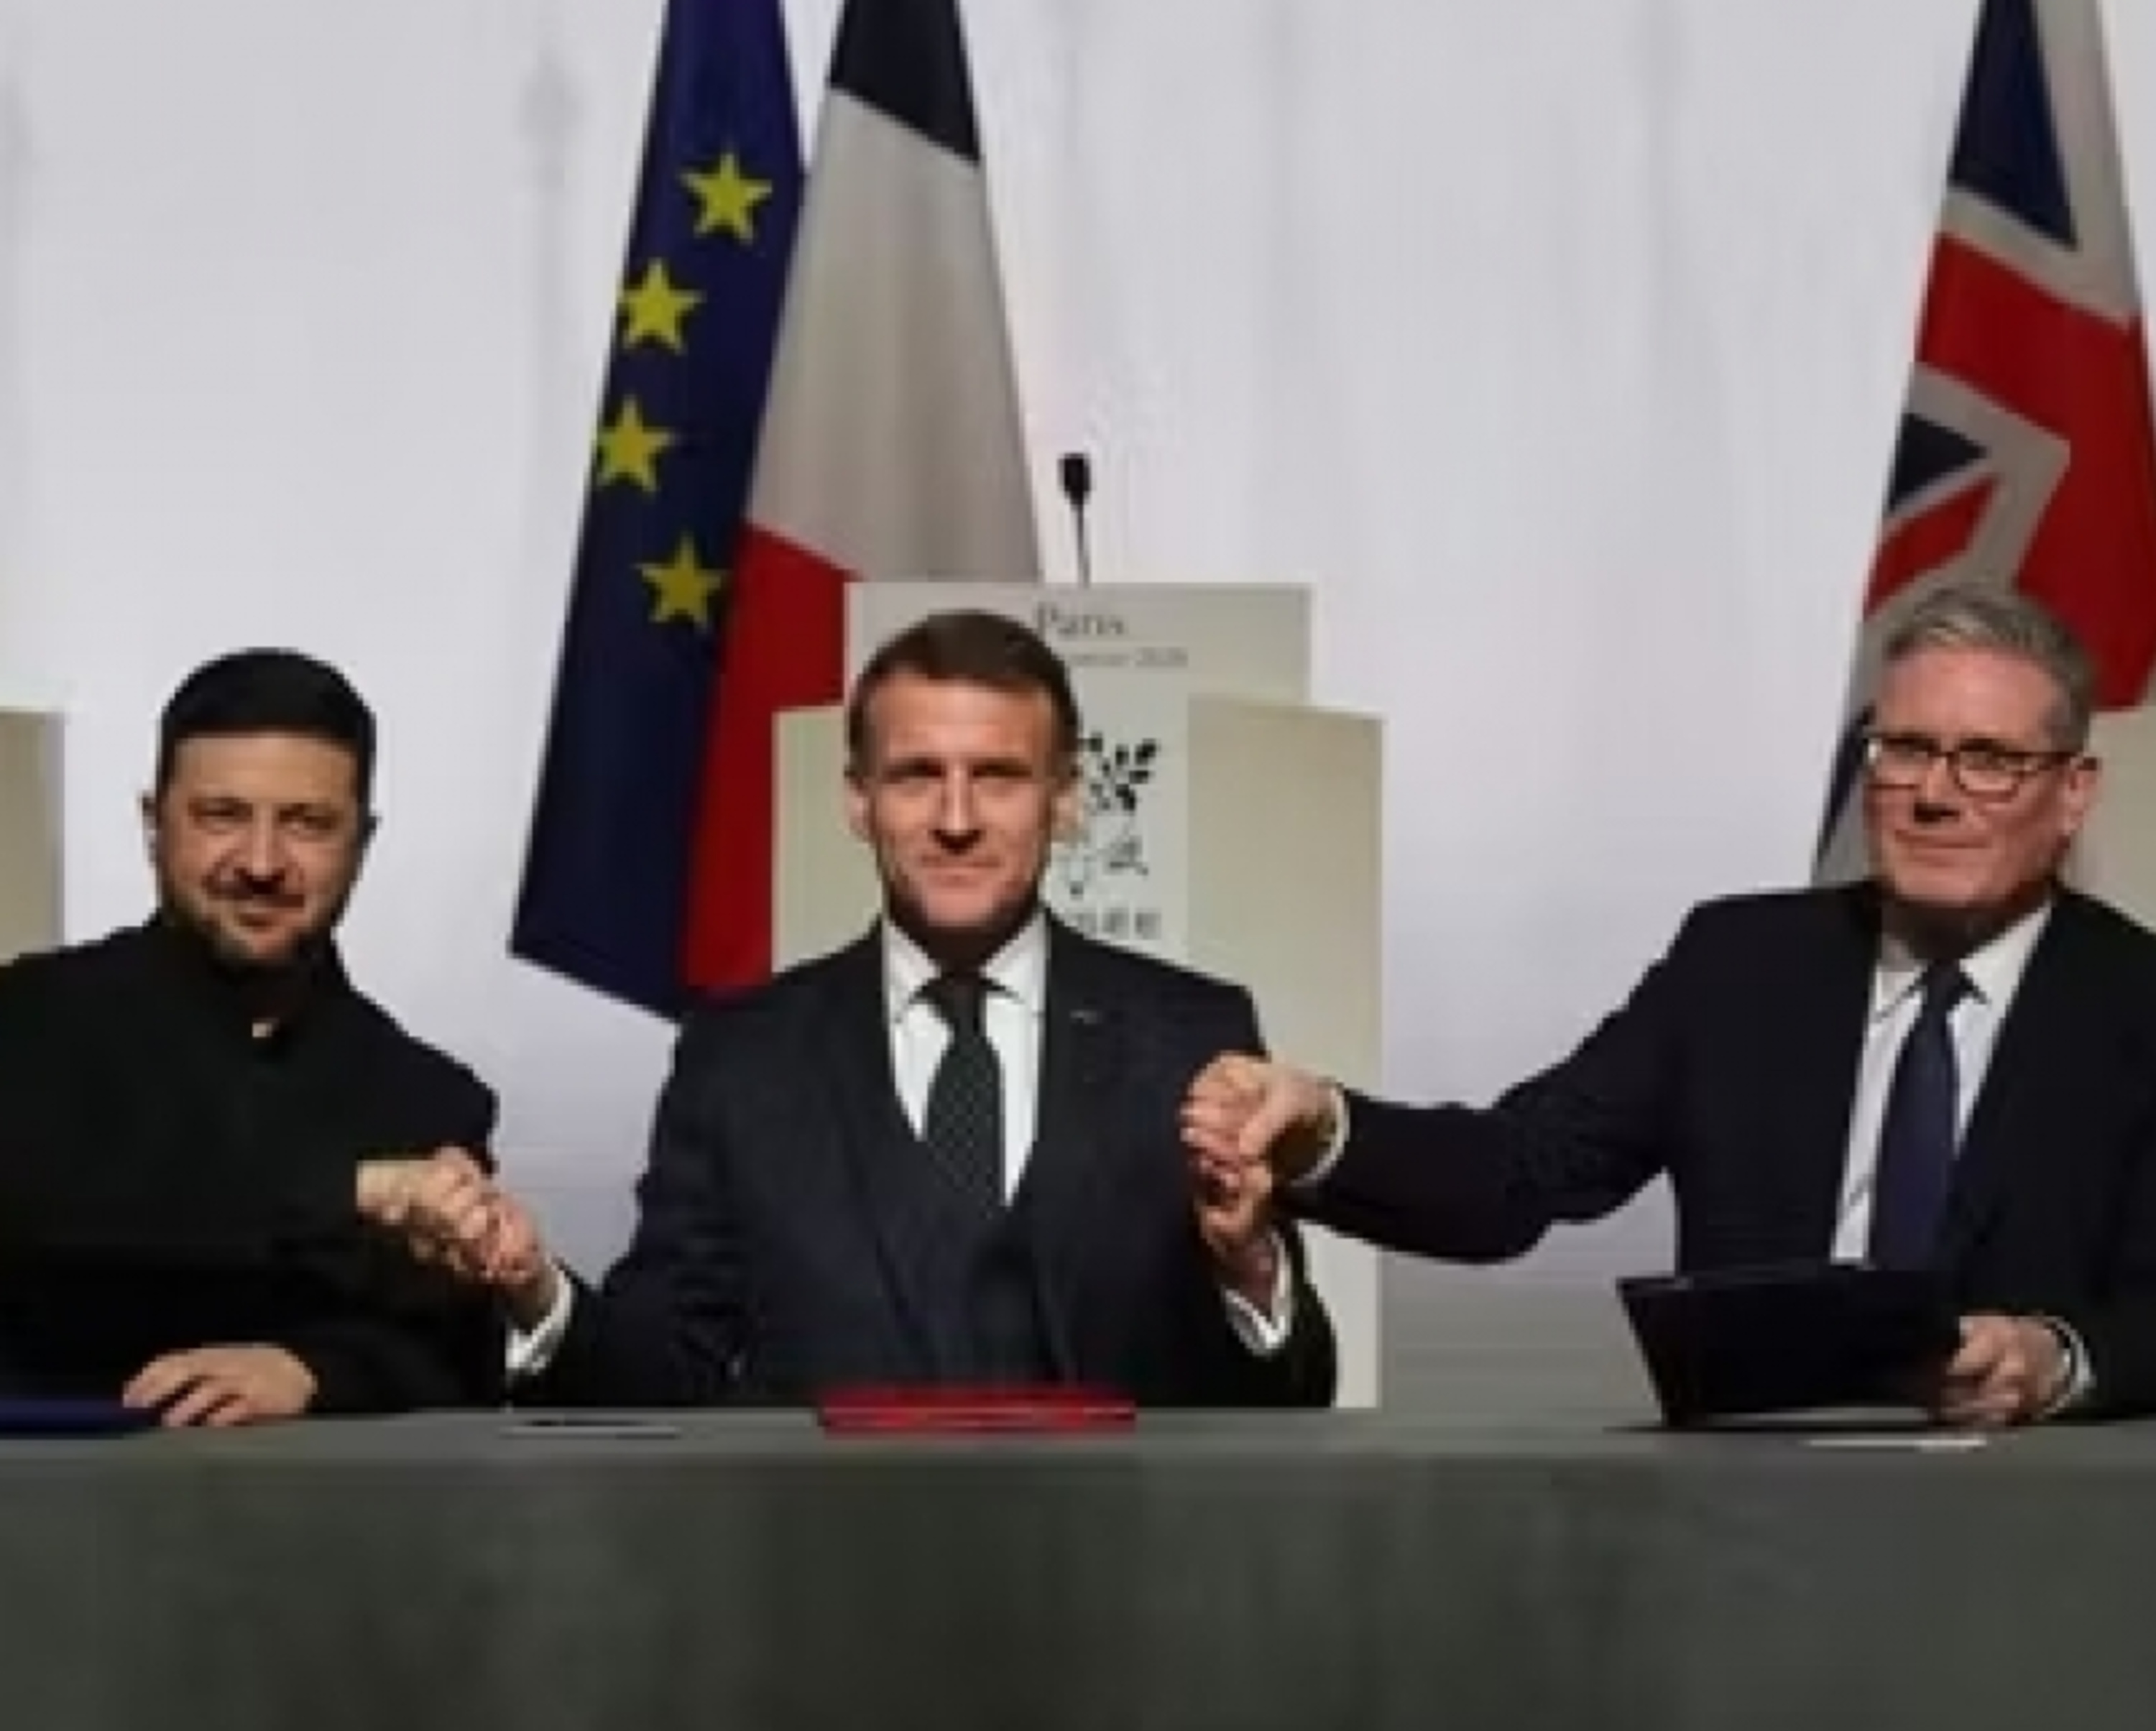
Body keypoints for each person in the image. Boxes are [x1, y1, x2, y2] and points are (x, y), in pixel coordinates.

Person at [1184, 581, 2156, 1425]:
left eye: (1989, 760)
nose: (1935, 794)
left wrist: (2060, 1360)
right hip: (1749, 1516)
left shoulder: (2134, 1004)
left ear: (2073, 794)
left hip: (2034, 1525)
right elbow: (1515, 1172)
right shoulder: (1741, 965)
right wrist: (1323, 1127)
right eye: (1904, 749)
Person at [381, 609, 1335, 1406]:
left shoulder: (1190, 1036)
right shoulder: (741, 1056)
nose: (955, 820)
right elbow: (666, 1371)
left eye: (998, 777)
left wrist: (1251, 1269)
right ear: (857, 801)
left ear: (1067, 800)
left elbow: (1292, 1398)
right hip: (821, 1572)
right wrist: (534, 1290)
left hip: (1124, 1570)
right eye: (916, 775)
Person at [0, 649, 504, 1423]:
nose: (262, 862)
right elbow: (52, 1212)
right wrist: (349, 1193)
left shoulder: (430, 1099)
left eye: (308, 824)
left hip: (322, 1504)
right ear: (153, 824)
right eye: (222, 816)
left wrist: (313, 1372)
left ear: (361, 844)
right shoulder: (27, 1021)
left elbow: (454, 1353)